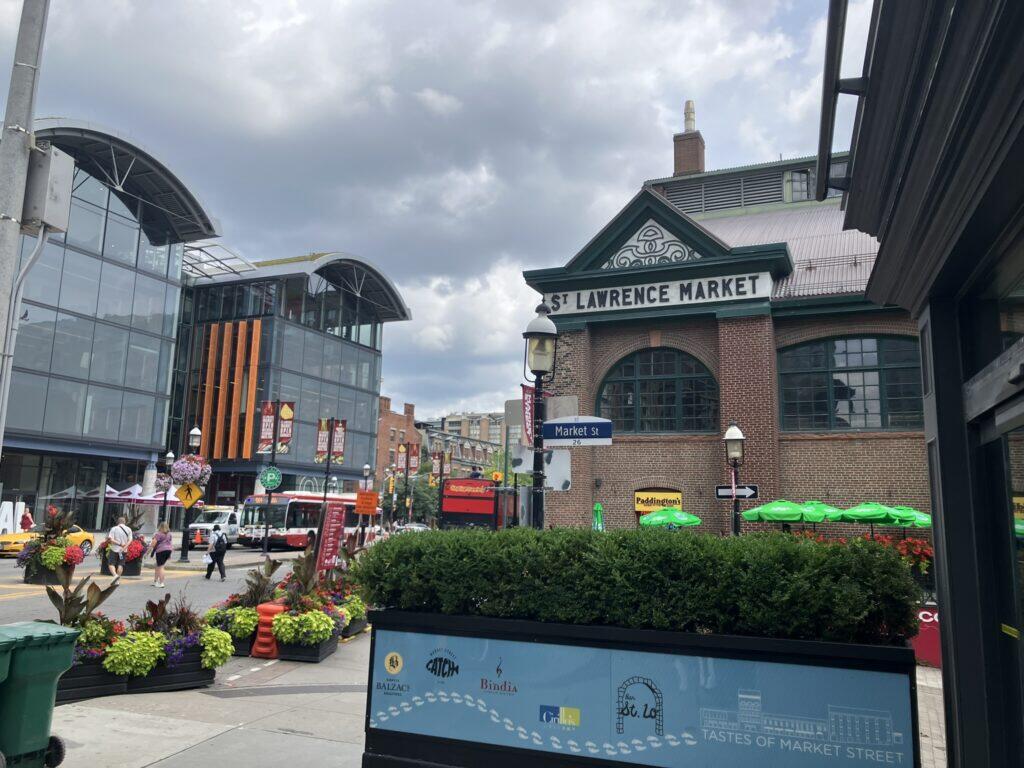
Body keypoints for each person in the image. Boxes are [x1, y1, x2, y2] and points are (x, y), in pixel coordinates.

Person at [148, 522, 173, 588]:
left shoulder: (158, 534)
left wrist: (148, 551)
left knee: (161, 566)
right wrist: (170, 554)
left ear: (160, 527)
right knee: (157, 565)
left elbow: (153, 543)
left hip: (161, 550)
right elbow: (170, 543)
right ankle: (155, 581)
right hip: (168, 550)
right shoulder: (169, 534)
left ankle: (161, 583)